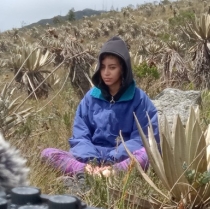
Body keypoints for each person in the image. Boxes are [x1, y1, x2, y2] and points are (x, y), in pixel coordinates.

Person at [41, 36, 159, 177]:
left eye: (112, 67)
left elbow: (143, 138)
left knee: (148, 153)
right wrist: (91, 160)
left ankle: (113, 172)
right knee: (47, 154)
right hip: (91, 158)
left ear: (123, 69)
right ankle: (87, 171)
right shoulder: (91, 97)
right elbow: (80, 135)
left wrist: (114, 158)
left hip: (123, 158)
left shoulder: (139, 99)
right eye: (102, 67)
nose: (106, 73)